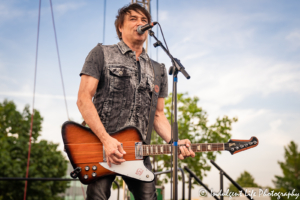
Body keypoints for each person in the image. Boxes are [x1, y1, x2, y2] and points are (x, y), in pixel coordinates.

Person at [77, 3, 195, 200]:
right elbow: (83, 100)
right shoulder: (101, 53)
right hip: (101, 148)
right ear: (120, 27)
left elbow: (158, 114)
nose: (140, 23)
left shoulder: (158, 70)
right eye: (133, 19)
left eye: (144, 20)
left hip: (139, 151)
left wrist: (174, 141)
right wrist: (106, 140)